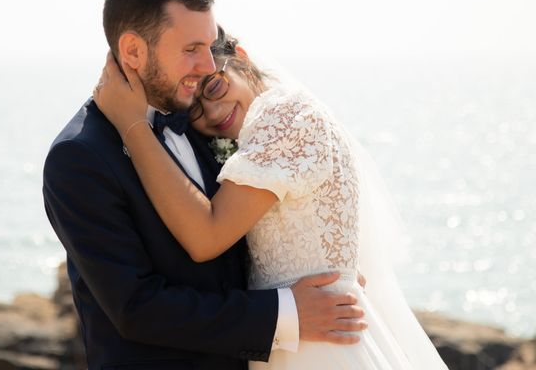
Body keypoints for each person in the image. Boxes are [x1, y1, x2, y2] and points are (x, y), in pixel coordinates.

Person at [43, 0, 368, 370]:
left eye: (209, 45)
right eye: (191, 50)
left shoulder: (205, 122)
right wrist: (287, 313)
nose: (208, 65)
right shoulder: (80, 156)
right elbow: (138, 308)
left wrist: (327, 267)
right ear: (132, 51)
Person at [93, 26, 449, 369]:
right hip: (290, 338)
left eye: (215, 86)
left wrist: (132, 125)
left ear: (241, 58)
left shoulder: (285, 117)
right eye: (195, 110)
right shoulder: (250, 140)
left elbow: (206, 238)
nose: (213, 112)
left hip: (318, 348)